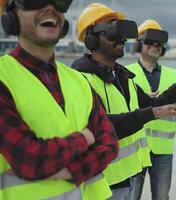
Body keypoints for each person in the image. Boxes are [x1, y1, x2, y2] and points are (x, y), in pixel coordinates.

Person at [72, 3, 176, 200]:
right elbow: (102, 126)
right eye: (111, 32)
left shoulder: (123, 77)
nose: (121, 39)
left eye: (122, 33)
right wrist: (153, 113)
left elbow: (153, 105)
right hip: (105, 183)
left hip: (130, 176)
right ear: (91, 39)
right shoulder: (80, 79)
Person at [0, 0, 118, 199]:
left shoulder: (77, 80)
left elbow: (110, 143)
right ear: (10, 15)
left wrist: (71, 171)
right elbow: (30, 158)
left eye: (59, 2)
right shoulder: (4, 77)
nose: (50, 8)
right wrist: (83, 138)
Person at [126, 19, 176, 200]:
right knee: (131, 197)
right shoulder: (126, 73)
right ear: (139, 44)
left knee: (162, 197)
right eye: (150, 41)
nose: (156, 46)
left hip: (163, 150)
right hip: (136, 150)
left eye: (159, 43)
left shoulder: (173, 75)